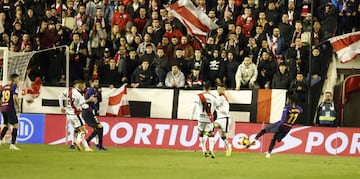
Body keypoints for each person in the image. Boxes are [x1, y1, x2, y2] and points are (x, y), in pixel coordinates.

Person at [248, 94, 303, 158]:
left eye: (288, 99)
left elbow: (283, 118)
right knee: (275, 139)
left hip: (282, 125)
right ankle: (268, 153)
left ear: (290, 101)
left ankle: (254, 140)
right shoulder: (299, 109)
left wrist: (278, 125)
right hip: (288, 128)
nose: (287, 100)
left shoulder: (286, 108)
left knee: (264, 130)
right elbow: (301, 110)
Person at [59, 80, 95, 152]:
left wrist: (61, 107)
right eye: (84, 85)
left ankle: (86, 147)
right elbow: (84, 106)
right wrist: (89, 106)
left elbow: (60, 96)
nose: (84, 87)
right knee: (84, 131)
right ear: (79, 85)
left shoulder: (69, 90)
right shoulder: (79, 95)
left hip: (68, 115)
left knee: (79, 131)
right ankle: (77, 141)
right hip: (76, 114)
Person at [191, 82, 219, 158]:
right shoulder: (214, 97)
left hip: (200, 118)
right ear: (210, 88)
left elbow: (194, 105)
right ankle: (211, 150)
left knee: (201, 133)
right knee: (211, 134)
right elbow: (218, 108)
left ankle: (204, 150)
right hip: (209, 118)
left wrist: (191, 116)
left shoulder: (199, 96)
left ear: (203, 88)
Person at [83, 78, 107, 150]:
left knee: (98, 128)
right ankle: (89, 142)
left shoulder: (94, 90)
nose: (97, 83)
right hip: (88, 111)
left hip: (89, 111)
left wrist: (99, 93)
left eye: (98, 82)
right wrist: (95, 108)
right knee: (100, 127)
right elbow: (91, 100)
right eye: (96, 82)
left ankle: (98, 145)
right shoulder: (91, 90)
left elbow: (97, 100)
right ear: (91, 82)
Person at [0, 74, 21, 150]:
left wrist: (1, 107)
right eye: (18, 79)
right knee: (15, 125)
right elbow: (15, 97)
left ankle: (0, 140)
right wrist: (18, 107)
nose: (18, 81)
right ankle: (12, 144)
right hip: (10, 108)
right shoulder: (14, 87)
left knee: (6, 125)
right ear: (14, 79)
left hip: (3, 108)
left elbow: (0, 97)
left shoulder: (4, 87)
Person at [214, 84, 232, 156]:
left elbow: (215, 104)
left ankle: (228, 147)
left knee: (222, 134)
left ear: (223, 90)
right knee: (222, 135)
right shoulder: (220, 97)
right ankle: (229, 147)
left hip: (225, 118)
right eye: (218, 89)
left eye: (220, 89)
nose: (218, 91)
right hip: (220, 118)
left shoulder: (222, 97)